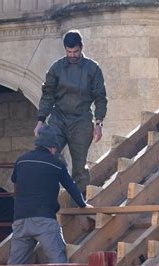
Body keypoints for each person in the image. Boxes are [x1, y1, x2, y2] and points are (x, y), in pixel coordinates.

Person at [34, 29, 108, 195]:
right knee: (49, 151)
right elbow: (47, 96)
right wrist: (40, 121)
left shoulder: (93, 68)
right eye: (69, 52)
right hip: (59, 117)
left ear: (81, 48)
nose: (72, 55)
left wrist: (99, 123)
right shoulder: (56, 68)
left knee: (79, 165)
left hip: (81, 119)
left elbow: (100, 97)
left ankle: (79, 202)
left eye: (75, 51)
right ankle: (55, 192)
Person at [8, 125, 91, 265]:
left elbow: (15, 182)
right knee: (58, 262)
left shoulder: (21, 160)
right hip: (44, 220)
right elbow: (71, 187)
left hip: (20, 220)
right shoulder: (56, 164)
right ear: (52, 147)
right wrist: (83, 204)